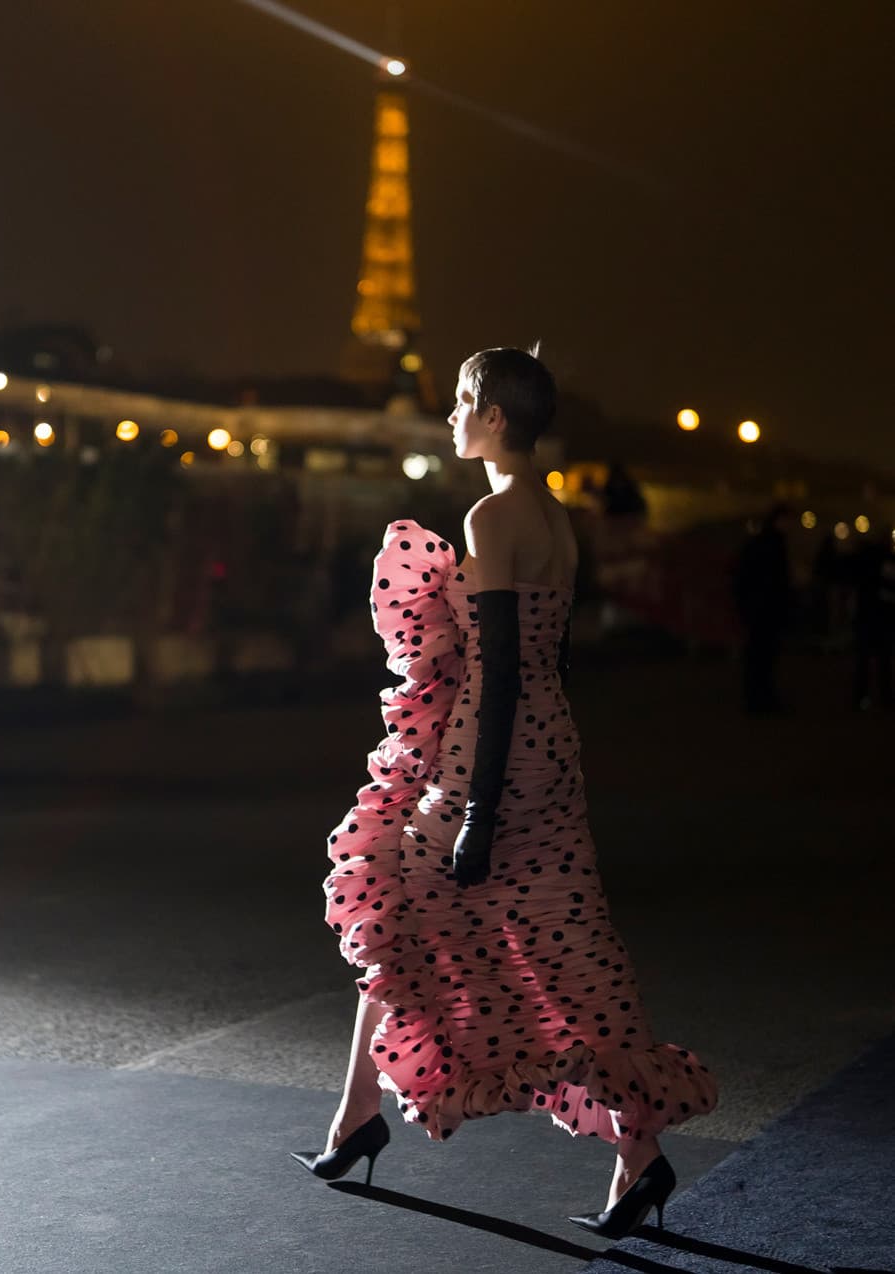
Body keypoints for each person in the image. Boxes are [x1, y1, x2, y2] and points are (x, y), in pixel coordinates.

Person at [291, 346, 717, 1238]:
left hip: (497, 751)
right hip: (548, 750)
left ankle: (358, 1120)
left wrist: (479, 809)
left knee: (398, 910)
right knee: (567, 940)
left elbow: (504, 673)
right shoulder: (554, 518)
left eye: (458, 401)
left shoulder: (490, 518)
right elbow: (548, 665)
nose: (448, 416)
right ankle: (634, 1157)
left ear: (490, 413)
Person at [733, 504, 791, 714]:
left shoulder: (761, 544)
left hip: (759, 610)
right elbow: (776, 581)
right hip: (764, 610)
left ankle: (758, 699)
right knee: (762, 658)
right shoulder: (772, 546)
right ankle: (761, 699)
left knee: (759, 658)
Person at [849, 525, 895, 711]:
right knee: (883, 659)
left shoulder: (864, 561)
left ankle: (862, 697)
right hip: (881, 616)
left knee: (864, 659)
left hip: (866, 616)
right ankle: (884, 698)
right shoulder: (886, 561)